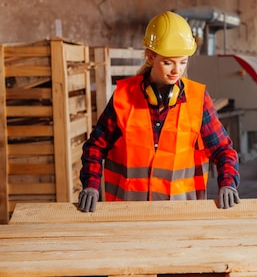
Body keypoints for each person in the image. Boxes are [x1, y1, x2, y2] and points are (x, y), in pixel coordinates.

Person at [78, 11, 240, 212]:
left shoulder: (198, 100)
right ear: (150, 57)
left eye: (182, 62)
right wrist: (91, 186)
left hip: (182, 216)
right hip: (128, 216)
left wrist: (227, 183)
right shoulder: (123, 97)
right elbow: (95, 146)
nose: (176, 71)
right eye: (168, 62)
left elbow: (223, 150)